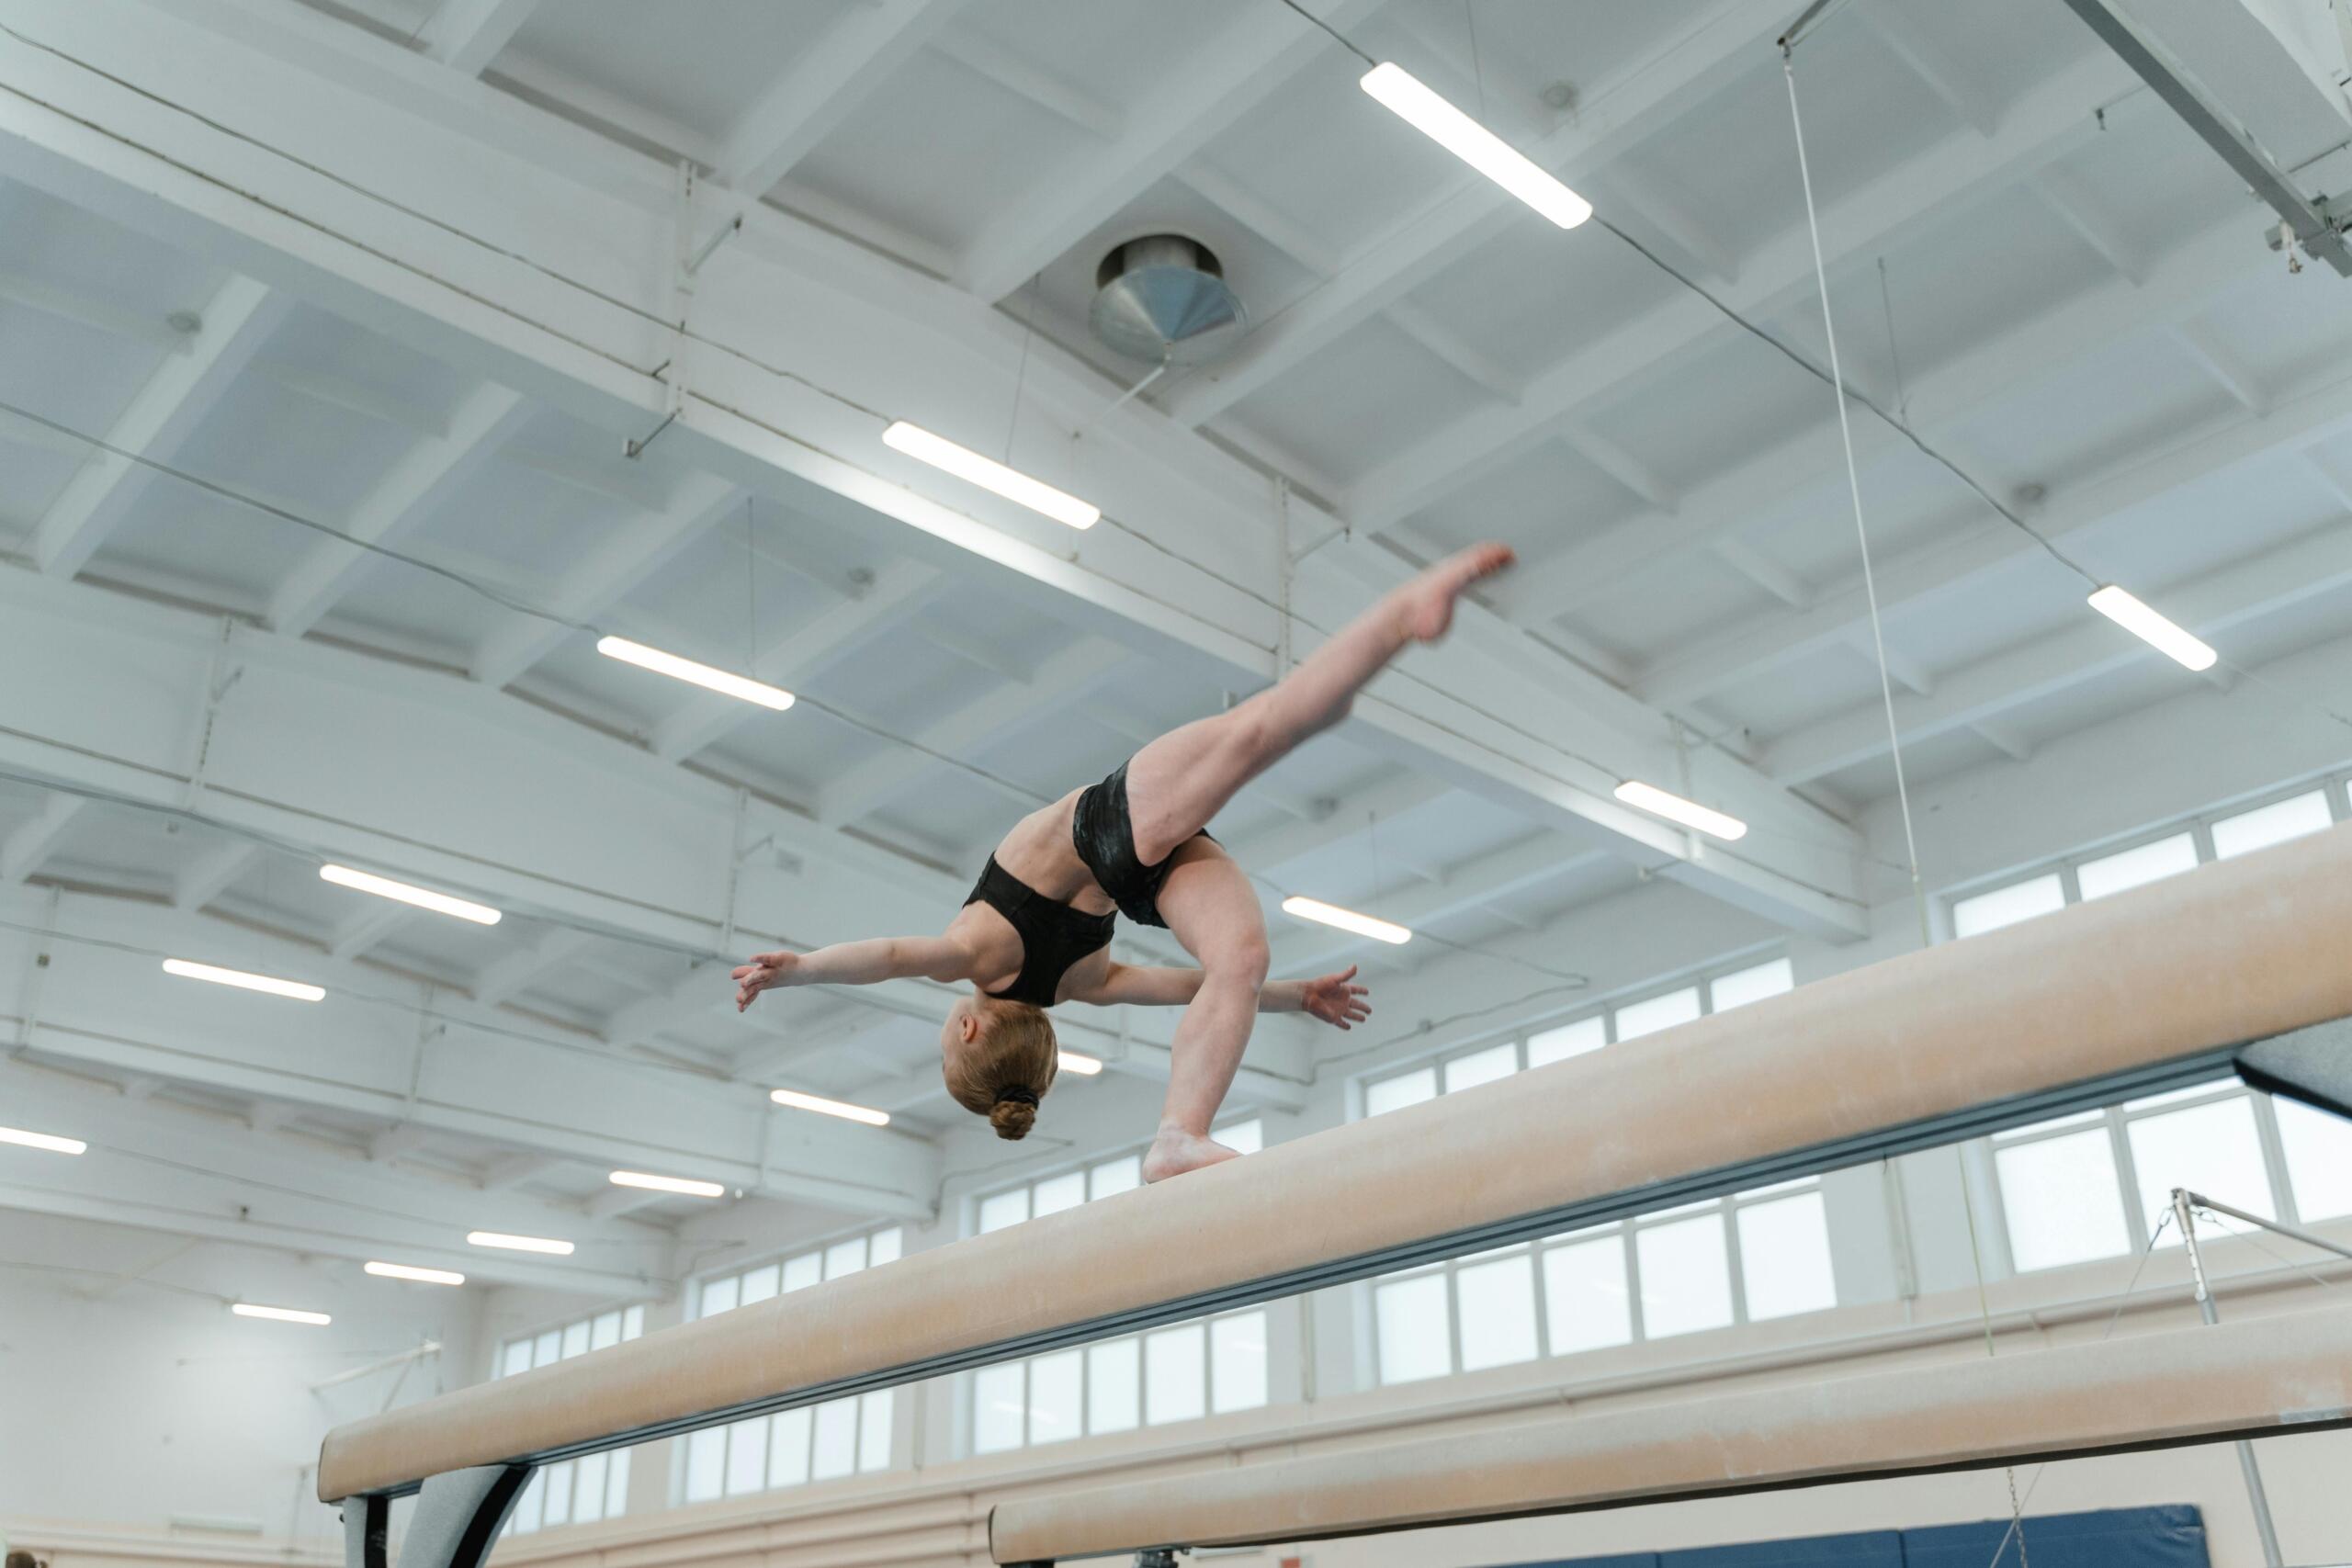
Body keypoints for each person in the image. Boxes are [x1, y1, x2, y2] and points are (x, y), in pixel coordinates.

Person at [734, 542, 1515, 1181]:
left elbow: (1183, 986)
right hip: (1110, 831)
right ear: (969, 1027)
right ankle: (1398, 618)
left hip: (1138, 870)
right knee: (1262, 735)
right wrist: (798, 969)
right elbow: (895, 956)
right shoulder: (984, 956)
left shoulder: (1079, 986)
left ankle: (1180, 1132)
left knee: (1237, 957)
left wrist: (1290, 998)